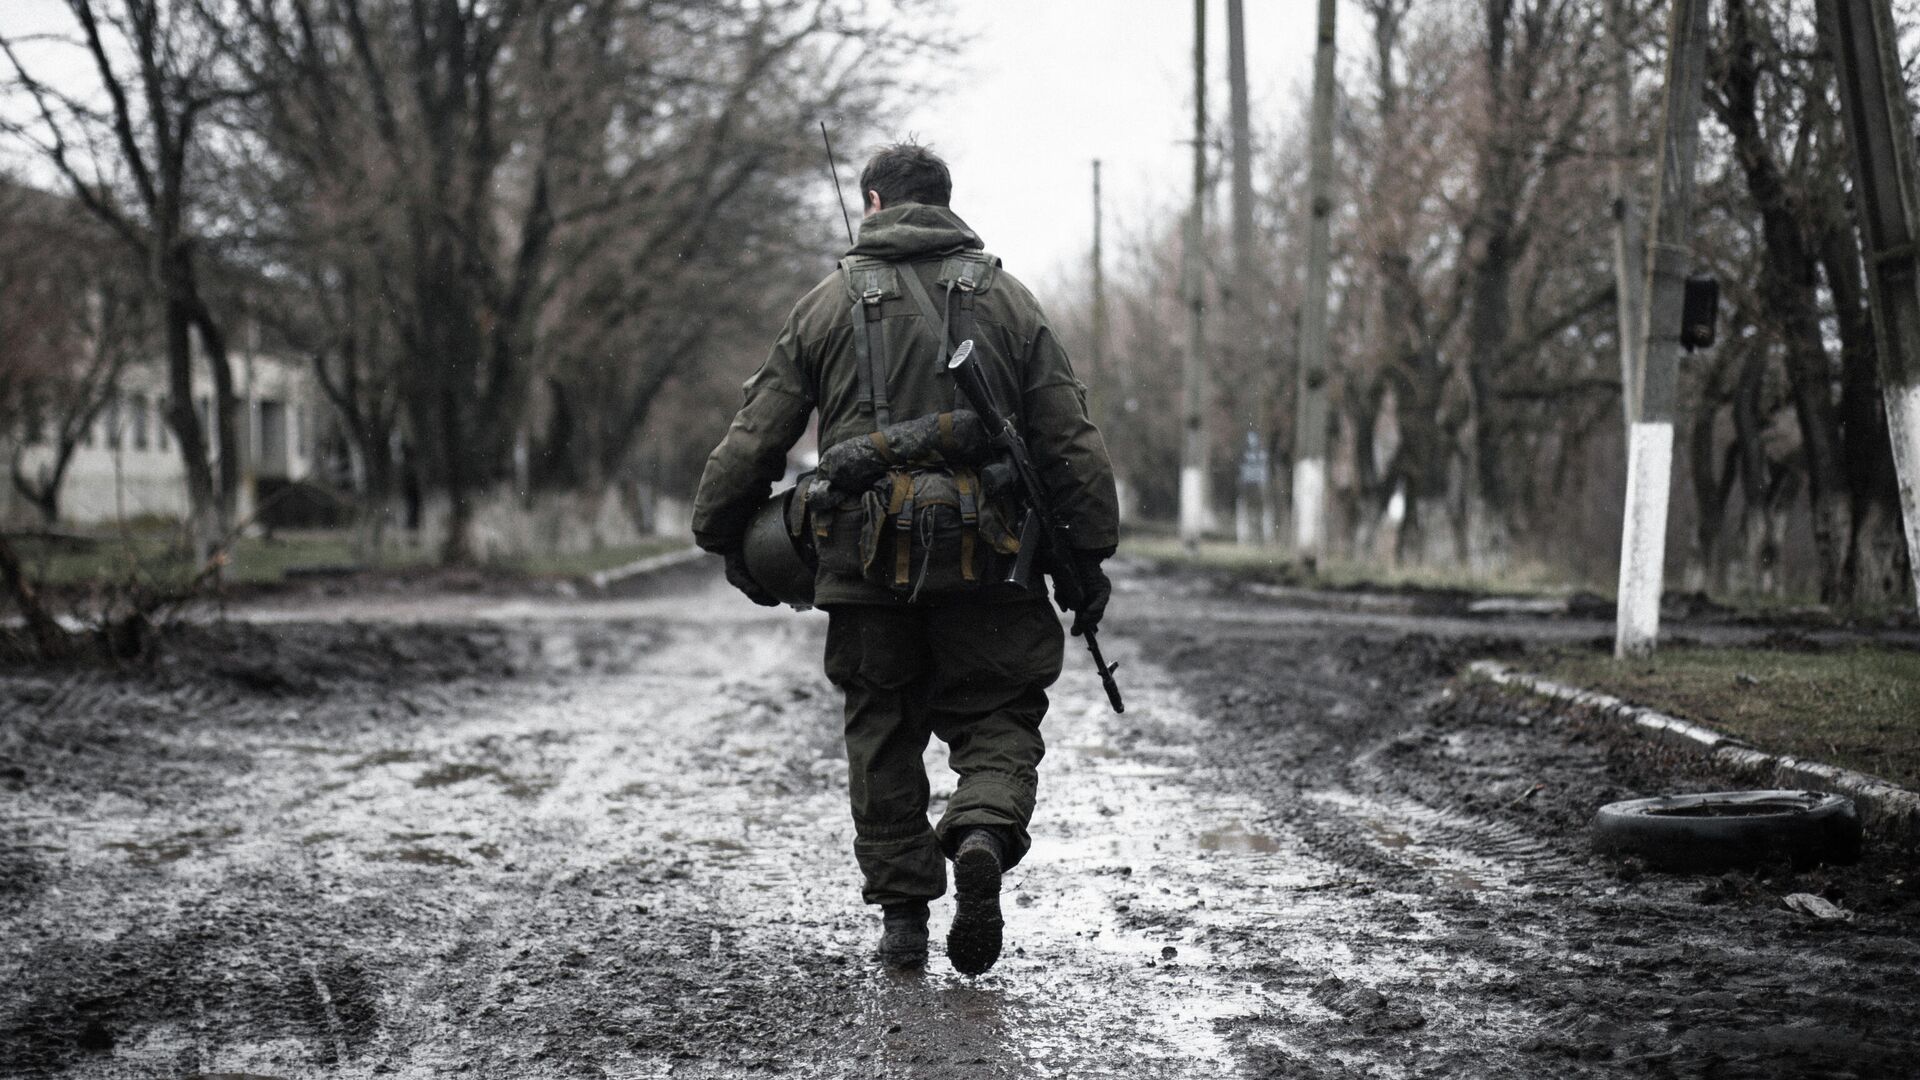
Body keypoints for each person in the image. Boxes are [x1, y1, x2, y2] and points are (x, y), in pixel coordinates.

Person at [691, 141, 1118, 975]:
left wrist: (722, 528)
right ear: (947, 204)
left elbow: (757, 435)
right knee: (997, 715)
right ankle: (983, 834)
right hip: (991, 562)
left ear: (875, 203)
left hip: (863, 565)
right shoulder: (1009, 300)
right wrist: (1088, 559)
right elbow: (1070, 442)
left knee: (882, 732)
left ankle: (902, 922)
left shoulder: (825, 305)